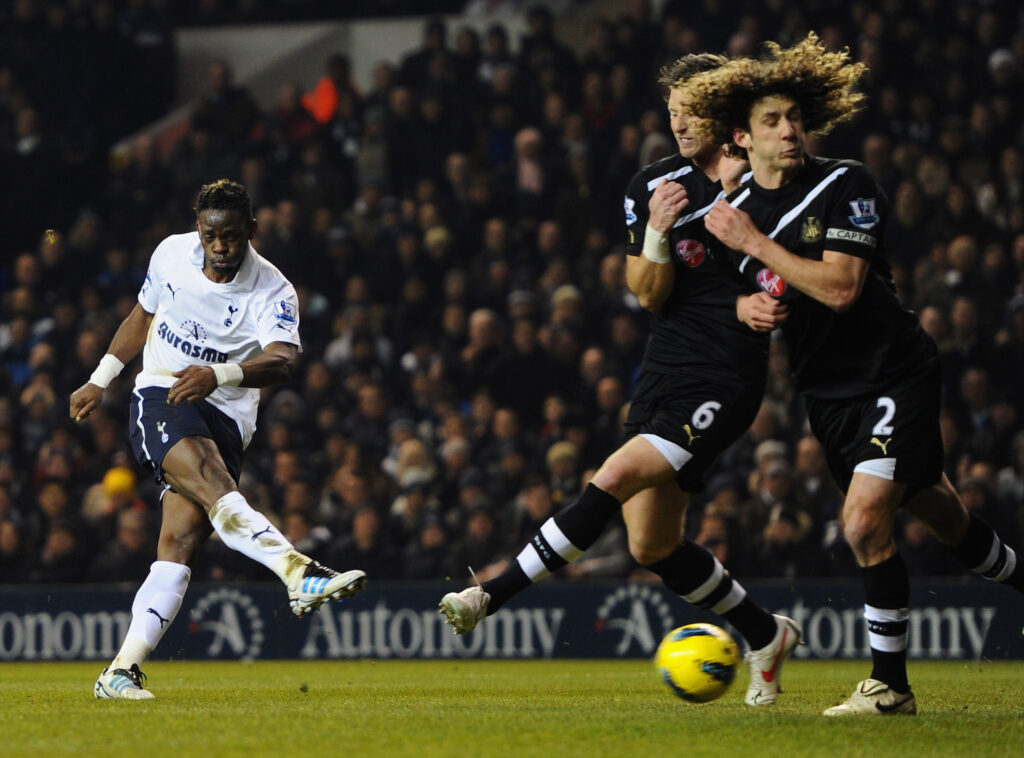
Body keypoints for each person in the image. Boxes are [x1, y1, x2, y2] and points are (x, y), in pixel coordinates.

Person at [439, 55, 800, 708]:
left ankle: (490, 595)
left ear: (723, 109)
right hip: (663, 370)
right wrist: (659, 231)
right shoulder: (652, 185)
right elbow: (648, 294)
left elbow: (784, 270)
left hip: (728, 375)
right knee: (653, 543)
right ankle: (764, 633)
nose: (680, 121)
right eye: (672, 111)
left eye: (692, 107)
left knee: (610, 477)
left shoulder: (761, 183)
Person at [696, 33, 1024, 716]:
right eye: (772, 121)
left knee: (863, 519)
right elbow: (737, 298)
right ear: (742, 137)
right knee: (941, 512)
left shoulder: (845, 184)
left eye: (796, 118)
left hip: (892, 371)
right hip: (828, 392)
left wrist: (755, 246)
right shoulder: (735, 216)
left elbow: (843, 288)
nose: (791, 130)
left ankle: (889, 686)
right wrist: (743, 304)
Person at [70, 180, 367, 700]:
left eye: (231, 236)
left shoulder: (272, 289)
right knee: (208, 477)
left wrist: (220, 374)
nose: (221, 246)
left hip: (228, 412)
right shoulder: (170, 255)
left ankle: (120, 670)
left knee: (180, 542)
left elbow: (284, 360)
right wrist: (101, 377)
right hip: (163, 391)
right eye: (211, 236)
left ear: (251, 231)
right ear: (198, 229)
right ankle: (297, 570)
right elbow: (141, 316)